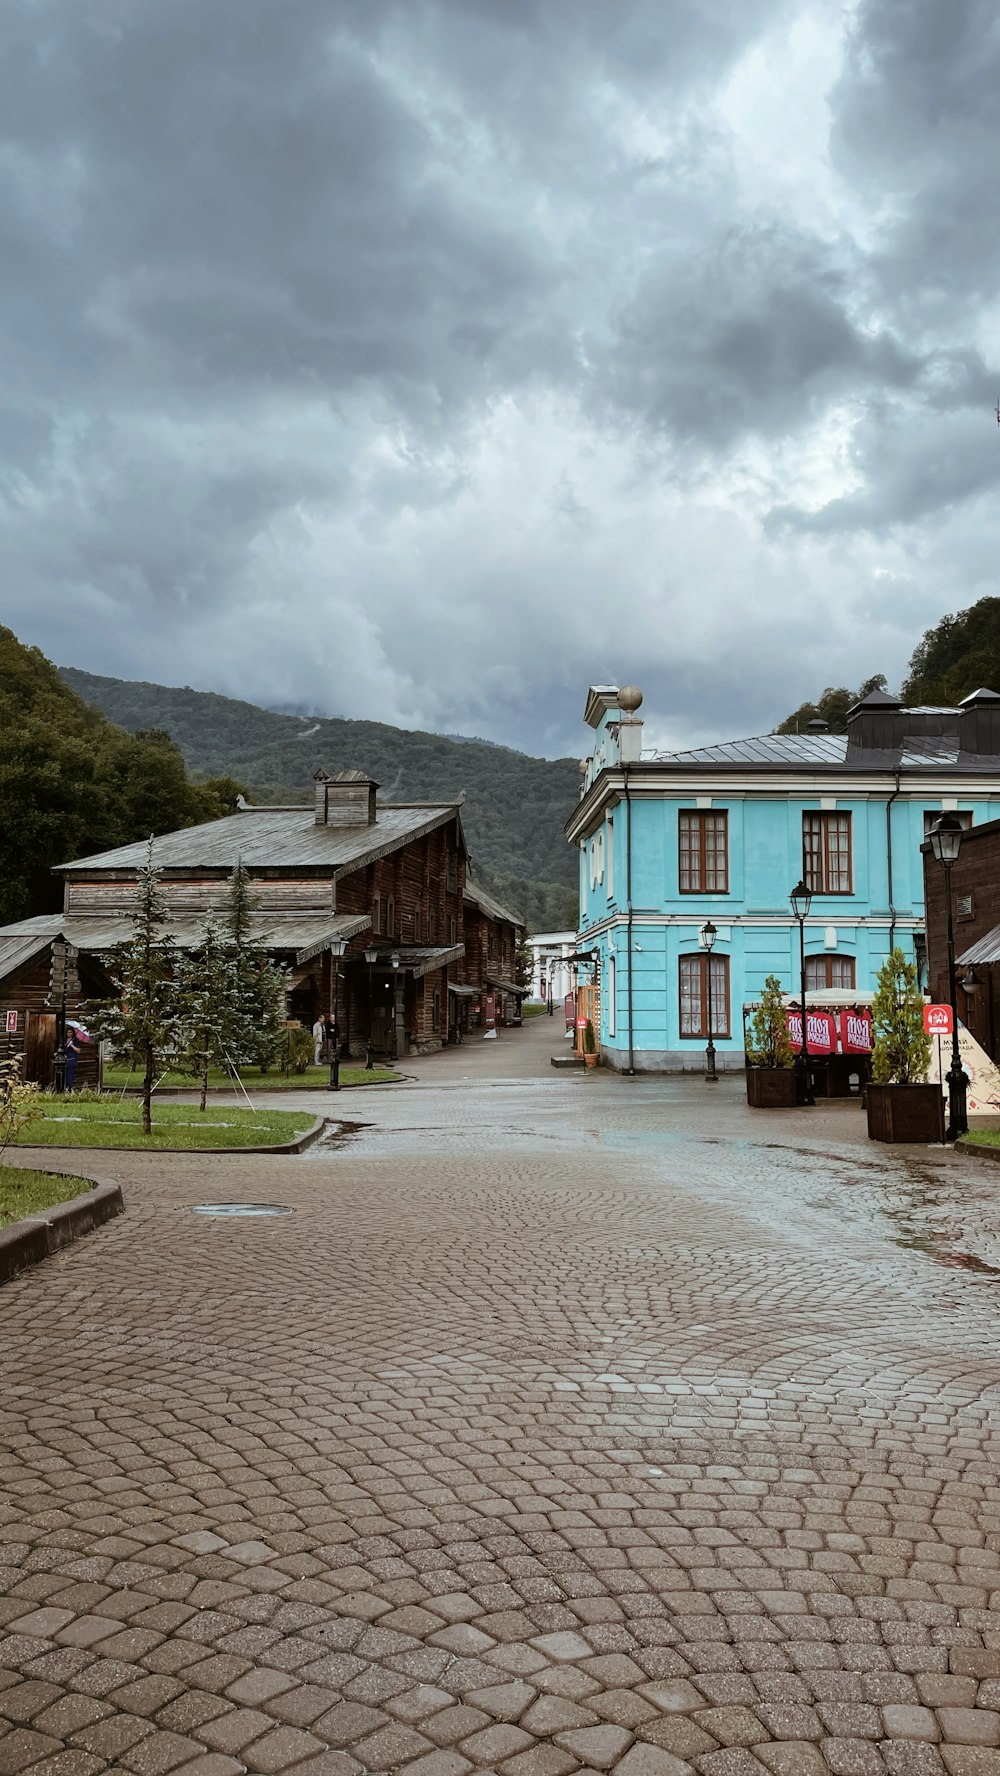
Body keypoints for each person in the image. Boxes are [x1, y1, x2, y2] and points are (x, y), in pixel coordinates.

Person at [64, 1027, 81, 1092]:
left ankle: (69, 1089)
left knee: (69, 1075)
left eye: (70, 1032)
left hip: (72, 1060)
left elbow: (78, 1051)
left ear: (73, 1033)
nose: (69, 1034)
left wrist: (72, 1045)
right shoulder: (64, 1040)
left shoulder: (75, 1040)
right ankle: (65, 1088)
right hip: (65, 1059)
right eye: (68, 1032)